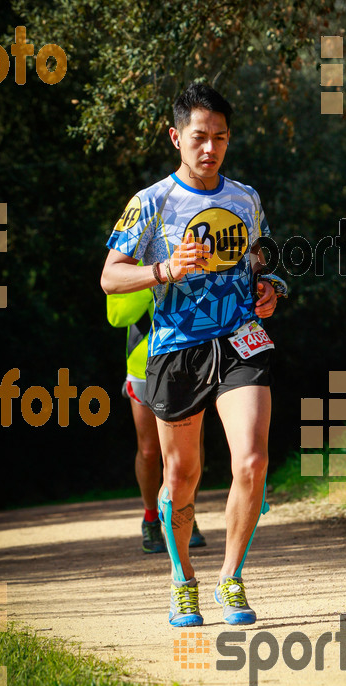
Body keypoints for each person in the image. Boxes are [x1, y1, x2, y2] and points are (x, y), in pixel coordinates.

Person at [101, 82, 287, 627]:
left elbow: (261, 259)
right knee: (182, 477)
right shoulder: (151, 203)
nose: (210, 148)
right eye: (200, 137)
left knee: (251, 460)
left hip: (239, 340)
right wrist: (164, 270)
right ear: (175, 136)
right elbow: (110, 277)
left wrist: (270, 287)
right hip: (176, 350)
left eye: (221, 138)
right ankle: (184, 580)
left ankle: (231, 579)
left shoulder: (246, 198)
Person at [106, 288, 206, 552]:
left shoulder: (188, 250)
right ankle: (151, 517)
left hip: (188, 361)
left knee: (190, 447)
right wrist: (154, 278)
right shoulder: (129, 260)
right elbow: (117, 316)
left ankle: (186, 514)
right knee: (150, 451)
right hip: (143, 365)